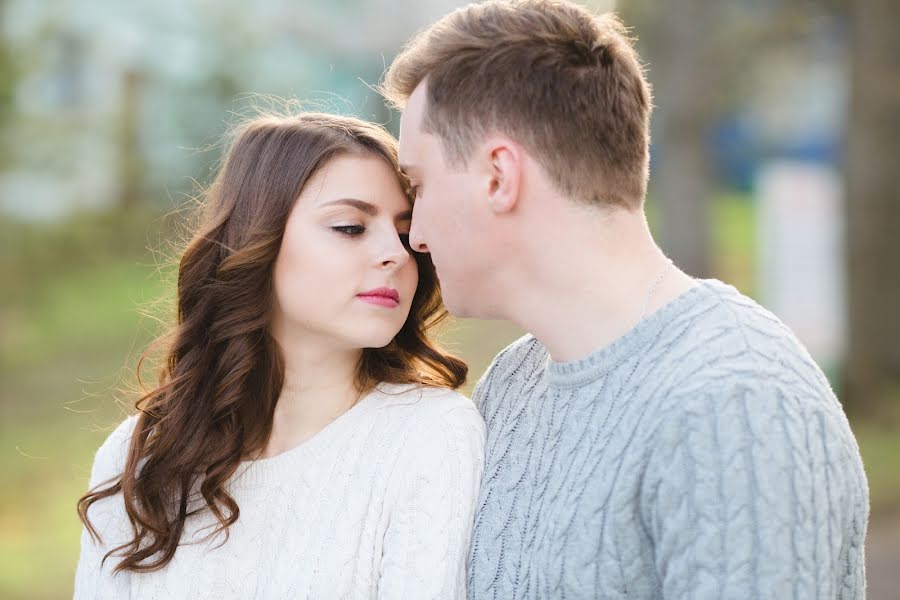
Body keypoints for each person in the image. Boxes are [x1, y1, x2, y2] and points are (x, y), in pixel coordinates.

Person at [381, 0, 869, 597]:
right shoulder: (513, 383)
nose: (417, 233)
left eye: (421, 185)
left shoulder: (736, 402)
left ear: (498, 177)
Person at [74, 112, 485, 599]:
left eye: (402, 232)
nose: (396, 254)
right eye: (351, 227)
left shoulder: (430, 434)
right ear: (257, 242)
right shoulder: (144, 456)